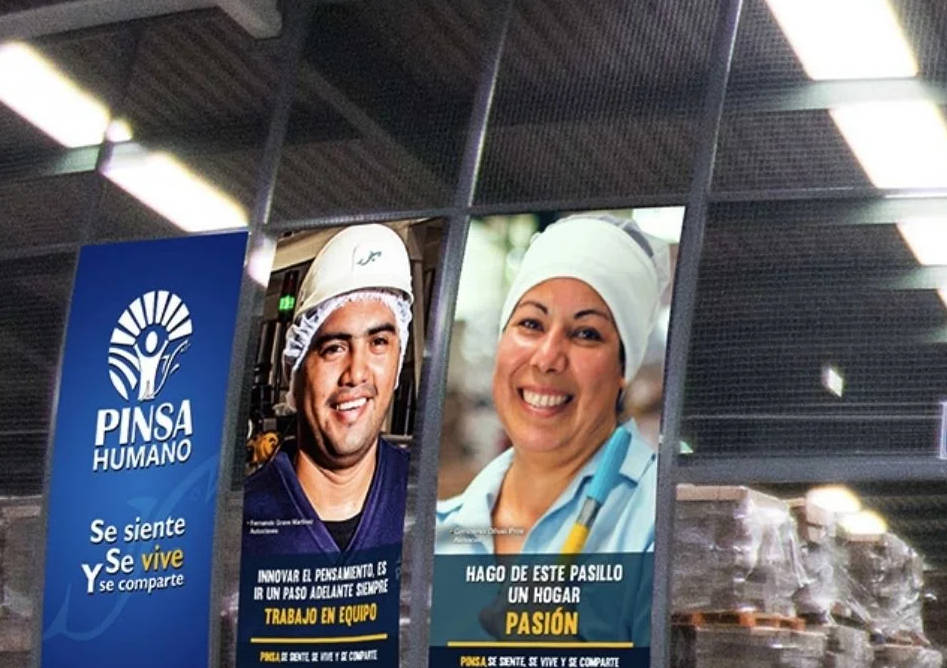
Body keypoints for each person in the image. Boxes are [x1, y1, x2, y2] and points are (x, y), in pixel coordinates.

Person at [436, 214, 668, 557]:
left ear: (624, 366)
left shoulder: (662, 522)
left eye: (586, 334)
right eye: (531, 323)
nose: (547, 358)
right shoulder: (442, 533)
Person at [244, 224, 413, 556]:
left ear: (398, 360)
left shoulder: (433, 502)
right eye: (334, 348)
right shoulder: (244, 521)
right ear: (295, 368)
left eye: (378, 342)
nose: (356, 373)